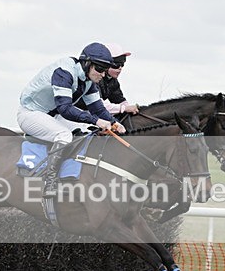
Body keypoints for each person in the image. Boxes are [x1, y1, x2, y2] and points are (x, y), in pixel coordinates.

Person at [18, 42, 127, 197]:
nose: (103, 75)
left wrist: (115, 123)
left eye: (104, 70)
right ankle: (50, 182)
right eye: (100, 69)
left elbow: (98, 109)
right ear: (87, 64)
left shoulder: (89, 80)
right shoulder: (64, 72)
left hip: (51, 115)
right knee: (64, 136)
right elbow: (65, 109)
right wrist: (96, 121)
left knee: (87, 133)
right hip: (30, 113)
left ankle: (72, 176)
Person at [99, 44, 139, 115]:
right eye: (116, 64)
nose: (120, 68)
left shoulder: (113, 82)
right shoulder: (95, 79)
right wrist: (124, 108)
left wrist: (131, 108)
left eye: (122, 64)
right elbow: (97, 106)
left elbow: (120, 101)